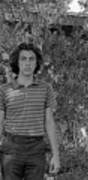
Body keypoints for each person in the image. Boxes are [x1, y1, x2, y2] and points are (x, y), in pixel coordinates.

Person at [0, 43, 60, 180]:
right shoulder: (4, 90)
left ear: (36, 63)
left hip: (36, 150)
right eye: (23, 59)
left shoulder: (46, 88)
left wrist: (56, 155)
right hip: (11, 150)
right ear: (17, 62)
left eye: (31, 59)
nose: (27, 63)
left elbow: (50, 123)